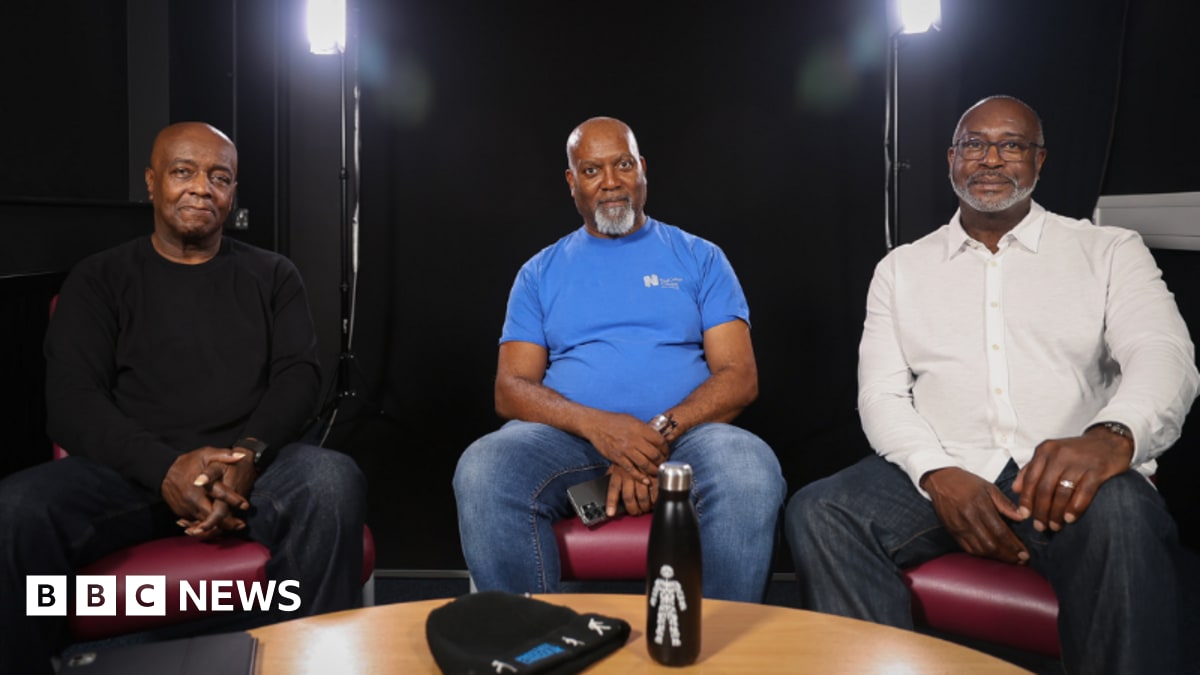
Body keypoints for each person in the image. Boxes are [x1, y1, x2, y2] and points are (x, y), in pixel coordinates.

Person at [784, 96, 1198, 673]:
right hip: (948, 464)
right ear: (952, 158)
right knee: (822, 510)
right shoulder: (901, 268)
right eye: (974, 144)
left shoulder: (1108, 251)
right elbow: (880, 394)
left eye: (1012, 145)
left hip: (1066, 477)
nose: (991, 159)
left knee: (1126, 514)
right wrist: (936, 472)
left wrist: (1113, 434)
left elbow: (1163, 352)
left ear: (1039, 160)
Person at [0, 122, 367, 674]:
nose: (202, 187)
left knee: (332, 481)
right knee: (16, 509)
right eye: (183, 172)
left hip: (253, 473)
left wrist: (247, 455)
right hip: (128, 476)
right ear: (152, 182)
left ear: (233, 191)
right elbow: (71, 401)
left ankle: (300, 663)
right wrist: (165, 468)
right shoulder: (99, 278)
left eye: (219, 177)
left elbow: (298, 378)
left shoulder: (273, 275)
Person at [453, 117, 785, 602]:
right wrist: (602, 428)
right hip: (570, 443)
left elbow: (739, 377)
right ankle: (530, 638)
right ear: (572, 181)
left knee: (749, 467)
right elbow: (511, 388)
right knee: (484, 467)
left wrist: (651, 438)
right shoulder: (539, 272)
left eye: (623, 165)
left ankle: (718, 640)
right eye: (591, 170)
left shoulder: (701, 258)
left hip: (688, 440)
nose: (610, 182)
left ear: (643, 169)